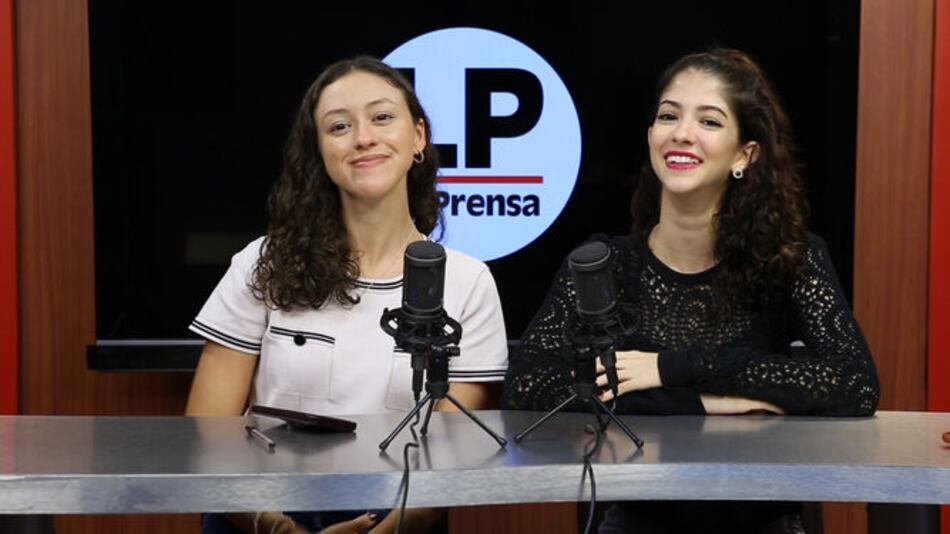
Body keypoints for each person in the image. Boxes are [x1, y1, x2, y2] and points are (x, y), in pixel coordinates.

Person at [503, 48, 880, 533]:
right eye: (669, 116)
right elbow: (527, 387)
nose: (682, 133)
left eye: (709, 121)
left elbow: (854, 384)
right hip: (637, 519)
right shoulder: (606, 265)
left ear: (744, 154)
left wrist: (672, 368)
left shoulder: (791, 260)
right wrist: (699, 403)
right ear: (651, 136)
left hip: (759, 522)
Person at [186, 56, 508, 534]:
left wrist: (387, 530)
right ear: (318, 150)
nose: (363, 138)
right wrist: (277, 528)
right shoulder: (262, 263)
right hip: (260, 512)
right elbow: (205, 434)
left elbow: (457, 455)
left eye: (382, 117)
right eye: (339, 126)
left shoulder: (468, 281)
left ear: (418, 136)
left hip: (398, 517)